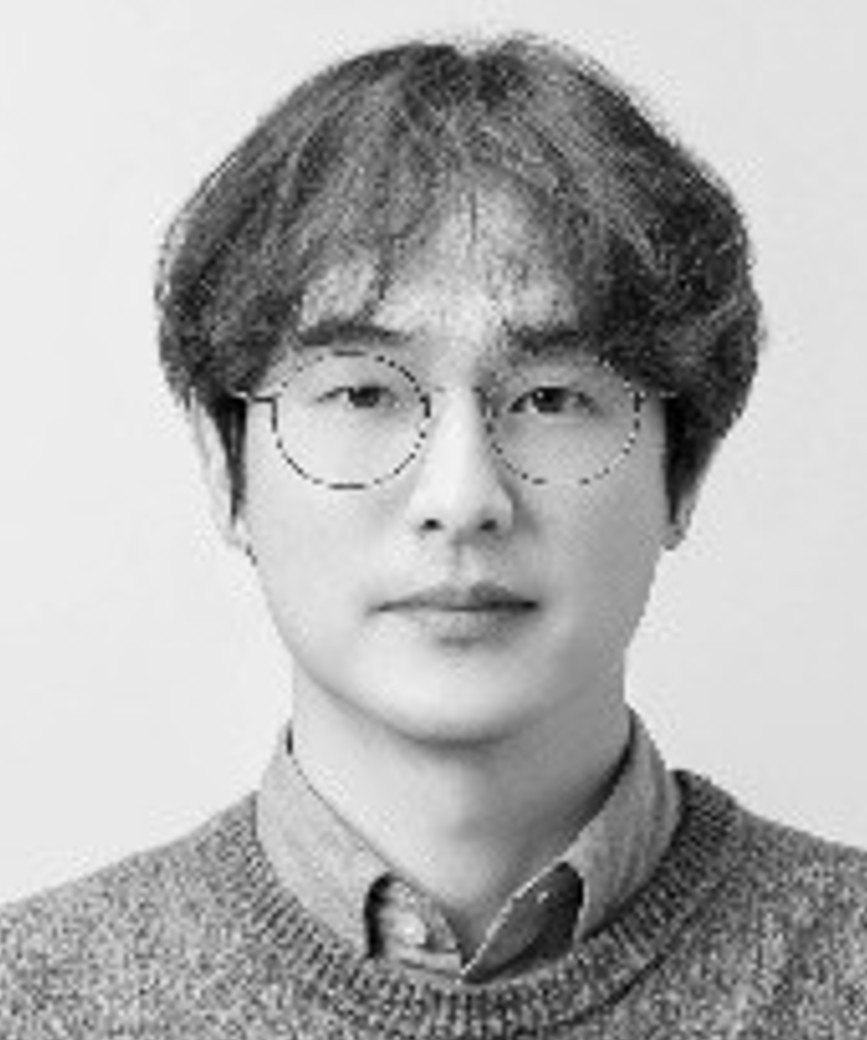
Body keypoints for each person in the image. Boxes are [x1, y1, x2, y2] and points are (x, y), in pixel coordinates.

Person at [2, 32, 866, 1039]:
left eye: (550, 397)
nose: (461, 498)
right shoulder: (35, 998)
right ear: (223, 464)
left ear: (687, 469)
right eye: (362, 393)